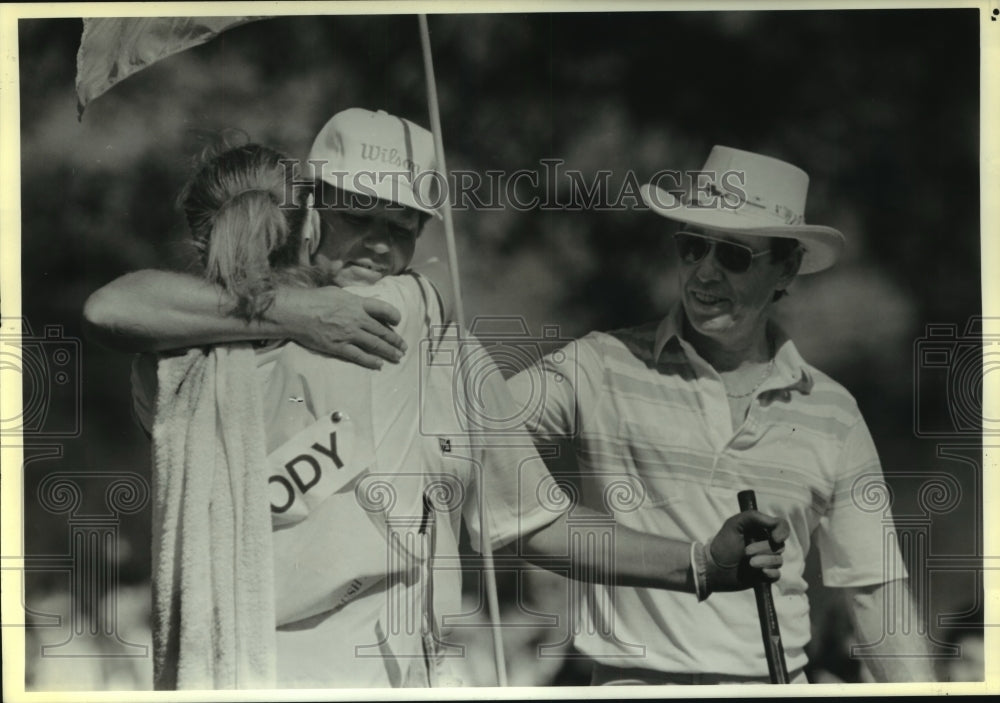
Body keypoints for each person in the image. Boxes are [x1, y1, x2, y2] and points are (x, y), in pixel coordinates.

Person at [84, 116, 790, 689]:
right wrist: (297, 314)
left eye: (405, 225)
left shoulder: (440, 348)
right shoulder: (209, 349)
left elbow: (537, 525)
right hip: (255, 669)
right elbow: (110, 305)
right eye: (361, 214)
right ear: (309, 213)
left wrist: (698, 563)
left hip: (405, 671)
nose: (383, 243)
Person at [507, 145, 935, 684]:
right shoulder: (599, 364)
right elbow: (469, 432)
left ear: (788, 267)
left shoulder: (833, 411)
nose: (704, 272)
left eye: (733, 255)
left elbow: (875, 592)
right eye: (692, 247)